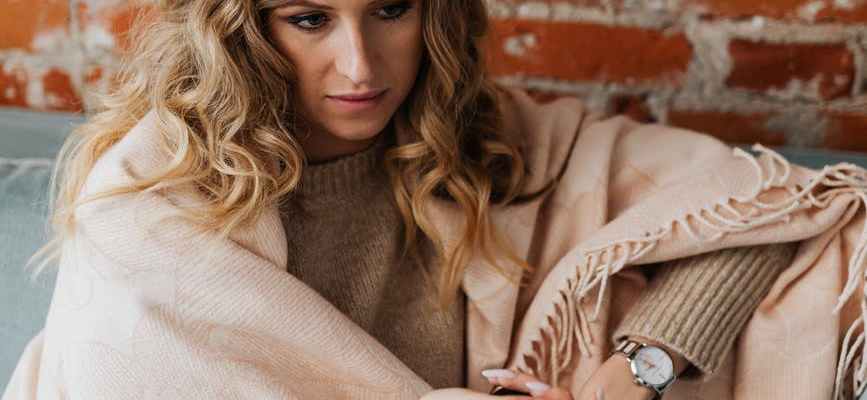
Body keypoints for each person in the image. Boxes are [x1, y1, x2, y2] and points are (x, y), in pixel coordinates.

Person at [5, 1, 865, 399]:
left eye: (389, 9)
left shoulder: (489, 143)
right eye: (308, 19)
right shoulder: (152, 203)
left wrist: (638, 370)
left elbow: (774, 209)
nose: (360, 66)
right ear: (237, 28)